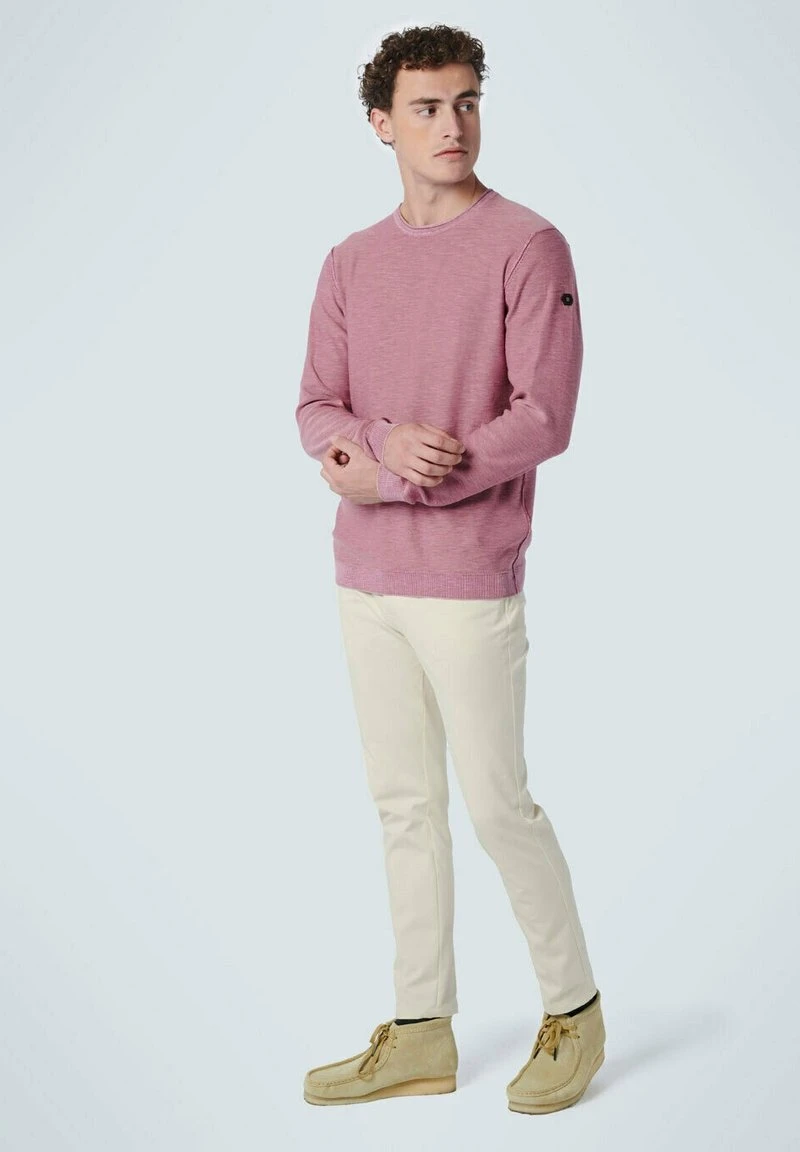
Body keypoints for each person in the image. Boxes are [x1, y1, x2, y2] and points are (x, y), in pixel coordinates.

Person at [295, 23, 605, 1114]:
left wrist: (394, 476)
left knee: (497, 804)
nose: (452, 125)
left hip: (469, 574)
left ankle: (573, 1011)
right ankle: (421, 1030)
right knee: (402, 806)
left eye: (467, 102)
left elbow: (546, 416)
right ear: (380, 123)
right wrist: (381, 449)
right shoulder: (350, 261)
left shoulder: (527, 245)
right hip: (365, 578)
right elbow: (316, 410)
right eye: (427, 107)